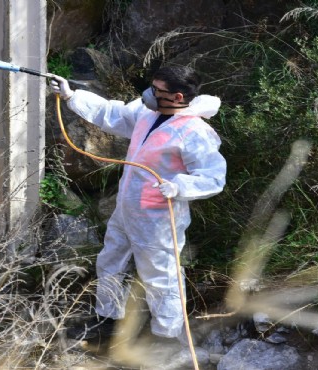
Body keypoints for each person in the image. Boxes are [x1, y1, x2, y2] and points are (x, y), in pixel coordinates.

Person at [49, 66, 226, 344]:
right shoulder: (148, 113)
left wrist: (180, 187)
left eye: (157, 90)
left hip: (159, 216)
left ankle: (165, 339)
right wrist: (72, 97)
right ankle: (108, 321)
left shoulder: (195, 132)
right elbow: (114, 113)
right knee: (110, 261)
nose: (150, 94)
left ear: (178, 96)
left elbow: (213, 177)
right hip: (128, 207)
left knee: (161, 274)